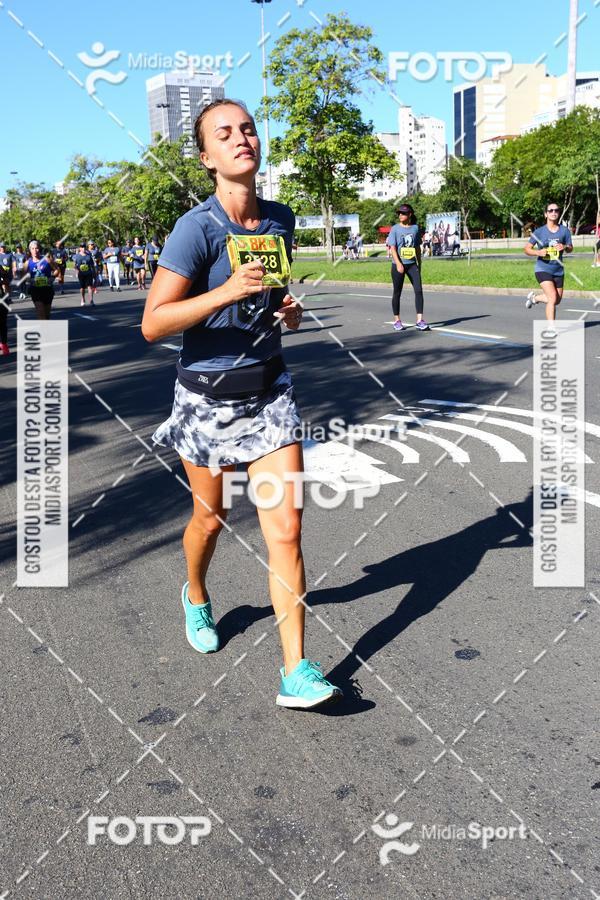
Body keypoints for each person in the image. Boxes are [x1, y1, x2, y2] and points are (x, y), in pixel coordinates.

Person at [142, 97, 341, 710]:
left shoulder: (279, 219)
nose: (241, 139)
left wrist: (290, 311)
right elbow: (153, 323)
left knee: (286, 527)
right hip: (206, 399)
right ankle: (196, 594)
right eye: (224, 134)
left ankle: (296, 670)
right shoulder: (196, 229)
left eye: (248, 129)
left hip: (271, 392)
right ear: (207, 157)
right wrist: (223, 290)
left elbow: (273, 299)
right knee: (212, 518)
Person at [524, 202, 573, 321]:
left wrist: (565, 247)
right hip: (543, 269)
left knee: (557, 300)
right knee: (552, 298)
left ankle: (534, 299)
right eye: (550, 211)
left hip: (558, 270)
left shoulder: (564, 231)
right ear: (546, 214)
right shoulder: (539, 232)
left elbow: (571, 248)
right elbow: (526, 249)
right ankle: (551, 329)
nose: (554, 213)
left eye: (556, 210)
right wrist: (538, 252)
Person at [386, 203, 429, 332]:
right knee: (397, 293)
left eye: (403, 213)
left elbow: (417, 248)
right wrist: (398, 263)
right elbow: (392, 248)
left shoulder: (415, 228)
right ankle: (397, 321)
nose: (400, 215)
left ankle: (419, 320)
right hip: (398, 265)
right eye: (399, 213)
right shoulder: (395, 229)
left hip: (412, 265)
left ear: (410, 214)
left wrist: (419, 264)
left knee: (419, 290)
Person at [25, 241, 58, 320]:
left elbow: (57, 269)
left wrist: (52, 278)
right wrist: (29, 280)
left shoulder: (46, 260)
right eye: (33, 248)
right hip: (35, 290)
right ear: (30, 250)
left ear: (39, 249)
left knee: (47, 315)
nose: (35, 250)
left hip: (47, 289)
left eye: (36, 248)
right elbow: (23, 276)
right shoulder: (27, 263)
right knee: (40, 312)